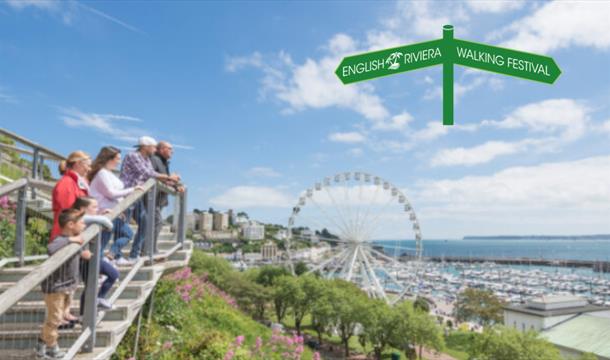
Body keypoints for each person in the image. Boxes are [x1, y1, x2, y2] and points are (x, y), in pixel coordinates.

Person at [37, 208, 91, 359]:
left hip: (67, 287)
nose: (84, 226)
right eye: (82, 223)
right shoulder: (60, 239)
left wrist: (83, 253)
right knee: (54, 320)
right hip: (55, 288)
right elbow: (51, 248)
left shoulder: (74, 239)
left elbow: (76, 254)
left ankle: (41, 344)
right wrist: (70, 240)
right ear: (70, 224)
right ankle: (52, 349)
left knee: (58, 318)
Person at [120, 136, 179, 261]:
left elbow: (156, 176)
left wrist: (175, 185)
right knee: (123, 227)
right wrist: (169, 177)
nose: (154, 149)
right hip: (129, 195)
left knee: (146, 224)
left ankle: (134, 255)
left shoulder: (146, 159)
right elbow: (147, 173)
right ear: (145, 147)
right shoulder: (133, 156)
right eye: (153, 147)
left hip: (138, 195)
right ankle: (116, 255)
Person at [89, 146, 141, 265]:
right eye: (117, 158)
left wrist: (120, 209)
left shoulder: (108, 173)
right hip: (106, 212)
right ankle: (102, 265)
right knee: (104, 242)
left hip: (114, 212)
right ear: (109, 158)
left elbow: (115, 195)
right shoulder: (102, 173)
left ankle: (110, 257)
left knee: (122, 235)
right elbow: (111, 193)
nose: (119, 161)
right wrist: (132, 190)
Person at [71, 196, 119, 312]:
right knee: (112, 274)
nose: (97, 209)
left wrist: (101, 214)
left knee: (91, 286)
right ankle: (99, 299)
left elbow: (97, 219)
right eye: (94, 207)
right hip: (85, 258)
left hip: (89, 257)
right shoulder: (80, 218)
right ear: (83, 209)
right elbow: (105, 222)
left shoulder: (86, 218)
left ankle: (87, 310)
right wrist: (104, 220)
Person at [50, 151, 91, 242]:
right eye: (87, 165)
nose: (89, 169)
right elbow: (68, 214)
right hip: (67, 237)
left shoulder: (77, 183)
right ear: (77, 164)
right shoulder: (67, 183)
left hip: (74, 235)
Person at [150, 141, 184, 252]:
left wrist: (176, 186)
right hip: (151, 198)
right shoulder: (154, 160)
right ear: (161, 149)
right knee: (157, 223)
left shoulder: (164, 162)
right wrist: (170, 177)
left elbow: (165, 181)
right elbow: (152, 176)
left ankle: (151, 249)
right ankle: (150, 250)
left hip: (158, 199)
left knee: (156, 223)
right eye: (169, 148)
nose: (172, 151)